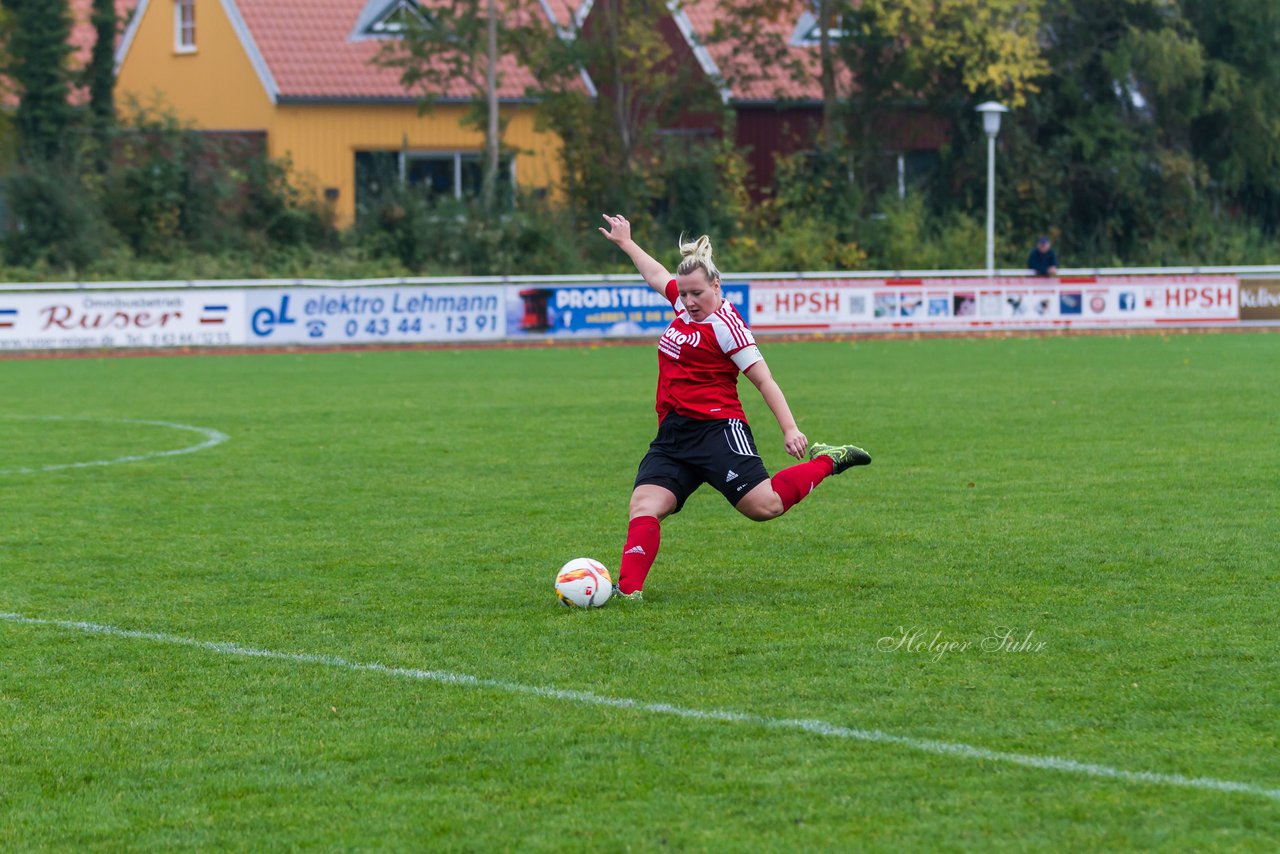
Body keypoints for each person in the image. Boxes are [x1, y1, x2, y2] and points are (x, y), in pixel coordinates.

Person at [598, 213, 872, 602]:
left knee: (765, 507)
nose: (690, 301)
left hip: (718, 431)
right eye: (686, 294)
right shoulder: (683, 303)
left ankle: (829, 460)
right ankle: (628, 593)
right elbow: (657, 275)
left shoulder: (727, 325)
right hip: (675, 434)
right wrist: (626, 242)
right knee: (644, 505)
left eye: (698, 293)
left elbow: (764, 380)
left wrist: (790, 429)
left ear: (716, 285)